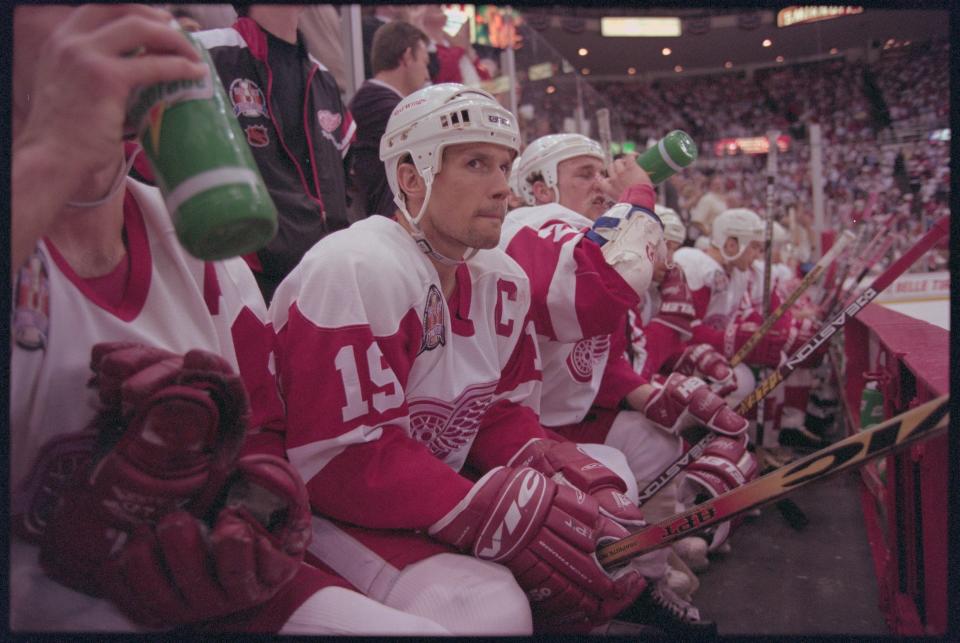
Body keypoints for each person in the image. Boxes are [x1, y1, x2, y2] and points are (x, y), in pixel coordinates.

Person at [10, 5, 448, 635]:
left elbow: (262, 433)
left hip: (193, 589)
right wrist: (52, 152)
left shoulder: (205, 258)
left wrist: (245, 508)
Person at [269, 84, 661, 635]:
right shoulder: (357, 267)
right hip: (323, 515)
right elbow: (336, 463)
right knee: (485, 611)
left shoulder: (500, 277)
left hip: (422, 494)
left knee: (609, 488)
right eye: (477, 163)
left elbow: (496, 413)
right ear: (411, 177)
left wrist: (557, 466)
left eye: (504, 166)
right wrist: (481, 507)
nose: (502, 187)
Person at [500, 134, 752, 634]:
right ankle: (594, 598)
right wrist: (636, 194)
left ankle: (644, 580)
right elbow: (601, 286)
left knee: (656, 442)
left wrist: (657, 397)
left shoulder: (582, 235)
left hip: (554, 418)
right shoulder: (531, 224)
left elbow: (603, 358)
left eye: (603, 172)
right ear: (537, 186)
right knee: (613, 473)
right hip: (511, 430)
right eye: (584, 174)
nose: (601, 183)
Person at [196, 4, 355, 303]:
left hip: (325, 282)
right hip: (248, 285)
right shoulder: (206, 54)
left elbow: (347, 172)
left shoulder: (322, 77)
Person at [347, 20, 430, 219]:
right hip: (382, 227)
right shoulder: (378, 104)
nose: (427, 74)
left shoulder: (376, 101)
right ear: (408, 56)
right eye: (425, 63)